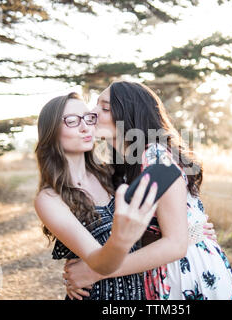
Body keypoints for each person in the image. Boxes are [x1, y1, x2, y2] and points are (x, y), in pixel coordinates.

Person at [64, 81, 232, 300]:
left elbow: (176, 245)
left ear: (130, 113)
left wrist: (94, 271)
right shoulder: (124, 164)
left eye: (105, 107)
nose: (92, 112)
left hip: (187, 273)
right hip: (157, 271)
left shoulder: (155, 156)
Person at [33, 92, 159, 300]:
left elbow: (144, 235)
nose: (85, 127)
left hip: (140, 293)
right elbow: (98, 262)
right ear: (51, 131)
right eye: (72, 121)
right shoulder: (50, 199)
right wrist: (121, 237)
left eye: (88, 118)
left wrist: (191, 231)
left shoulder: (111, 173)